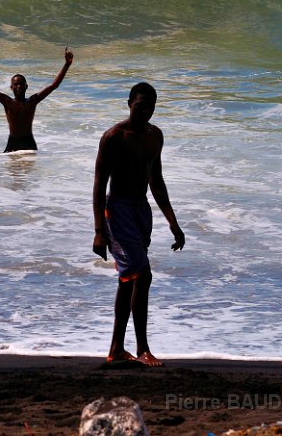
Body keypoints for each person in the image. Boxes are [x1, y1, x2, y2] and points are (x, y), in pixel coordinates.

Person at [92, 82, 185, 368]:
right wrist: (99, 231)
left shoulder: (155, 136)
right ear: (129, 103)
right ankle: (142, 348)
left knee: (130, 278)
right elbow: (99, 184)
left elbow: (156, 181)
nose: (145, 111)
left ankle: (116, 348)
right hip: (117, 210)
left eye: (150, 107)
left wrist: (173, 222)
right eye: (140, 105)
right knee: (142, 275)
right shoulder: (114, 137)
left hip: (141, 211)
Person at [0, 43, 73, 152]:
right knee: (7, 164)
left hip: (28, 142)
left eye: (21, 84)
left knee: (30, 164)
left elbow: (53, 86)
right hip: (13, 143)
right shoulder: (7, 101)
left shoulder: (32, 101)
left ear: (26, 86)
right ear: (11, 87)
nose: (19, 86)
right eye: (16, 84)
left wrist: (67, 64)